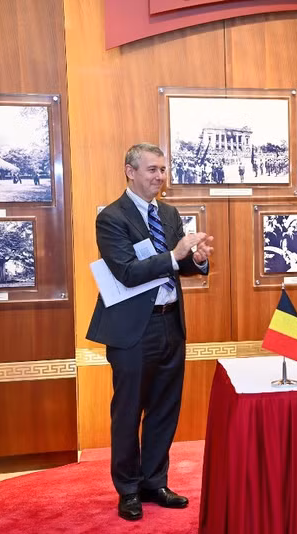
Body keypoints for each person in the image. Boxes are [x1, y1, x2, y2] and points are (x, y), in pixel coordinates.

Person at [86, 143, 214, 521]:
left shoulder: (168, 213)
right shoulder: (112, 218)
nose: (160, 177)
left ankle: (154, 482)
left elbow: (177, 266)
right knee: (128, 411)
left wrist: (195, 261)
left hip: (170, 322)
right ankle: (128, 489)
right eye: (152, 169)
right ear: (130, 171)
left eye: (162, 169)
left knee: (164, 408)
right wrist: (175, 255)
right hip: (132, 332)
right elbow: (127, 271)